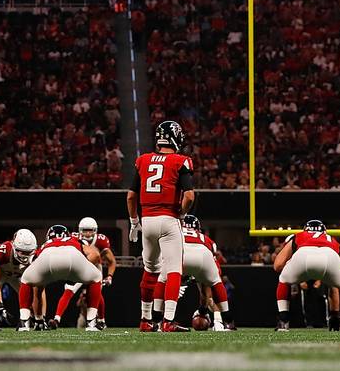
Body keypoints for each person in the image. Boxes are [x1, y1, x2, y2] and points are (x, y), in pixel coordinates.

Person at [128, 120, 195, 332]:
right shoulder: (181, 161)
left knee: (150, 270)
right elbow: (190, 197)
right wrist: (182, 213)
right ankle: (167, 321)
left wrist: (134, 222)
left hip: (146, 221)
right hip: (168, 220)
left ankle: (145, 319)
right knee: (174, 270)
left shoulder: (143, 160)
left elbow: (131, 197)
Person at [274, 220, 340, 331]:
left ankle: (283, 321)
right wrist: (335, 315)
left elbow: (277, 265)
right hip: (330, 256)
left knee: (284, 279)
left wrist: (293, 273)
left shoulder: (298, 236)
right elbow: (334, 286)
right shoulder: (333, 241)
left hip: (303, 255)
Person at [18, 225, 103, 331]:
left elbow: (33, 262)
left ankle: (25, 323)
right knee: (96, 277)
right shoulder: (74, 239)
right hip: (73, 255)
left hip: (46, 257)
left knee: (26, 280)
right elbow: (96, 255)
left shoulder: (46, 244)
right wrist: (79, 271)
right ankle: (91, 323)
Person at [53, 217, 118, 329]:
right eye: (85, 230)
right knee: (68, 290)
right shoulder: (73, 237)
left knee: (96, 293)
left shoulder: (101, 241)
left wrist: (109, 276)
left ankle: (101, 320)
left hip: (94, 267)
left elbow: (112, 261)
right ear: (79, 230)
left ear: (95, 230)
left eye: (90, 230)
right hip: (79, 267)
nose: (88, 233)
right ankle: (56, 319)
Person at [180, 215, 235, 330]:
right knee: (212, 286)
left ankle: (158, 320)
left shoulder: (174, 234)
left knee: (164, 284)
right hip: (203, 259)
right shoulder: (205, 238)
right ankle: (222, 321)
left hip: (180, 260)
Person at [0, 229, 38, 329]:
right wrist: (0, 308)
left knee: (29, 294)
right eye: (21, 251)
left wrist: (40, 317)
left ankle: (32, 319)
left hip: (18, 276)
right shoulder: (1, 252)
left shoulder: (36, 256)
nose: (24, 256)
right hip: (1, 273)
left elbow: (38, 287)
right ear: (13, 245)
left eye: (28, 252)